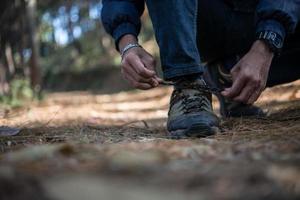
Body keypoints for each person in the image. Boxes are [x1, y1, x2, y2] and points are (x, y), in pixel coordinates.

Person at [101, 0, 300, 138]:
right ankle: (188, 85)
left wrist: (267, 42)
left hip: (268, 19)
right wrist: (127, 41)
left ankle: (225, 74)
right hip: (197, 19)